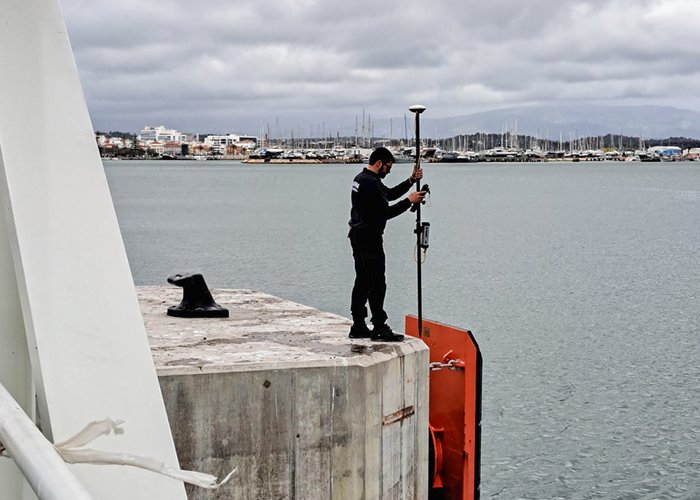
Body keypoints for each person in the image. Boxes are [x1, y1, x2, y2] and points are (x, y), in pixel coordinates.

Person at [348, 146, 426, 341]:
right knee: (377, 283)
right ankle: (379, 327)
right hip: (369, 238)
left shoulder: (361, 179)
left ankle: (358, 324)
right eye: (388, 167)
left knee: (362, 280)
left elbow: (389, 194)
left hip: (357, 235)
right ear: (379, 163)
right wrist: (409, 201)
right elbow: (385, 213)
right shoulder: (371, 184)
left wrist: (410, 181)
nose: (389, 171)